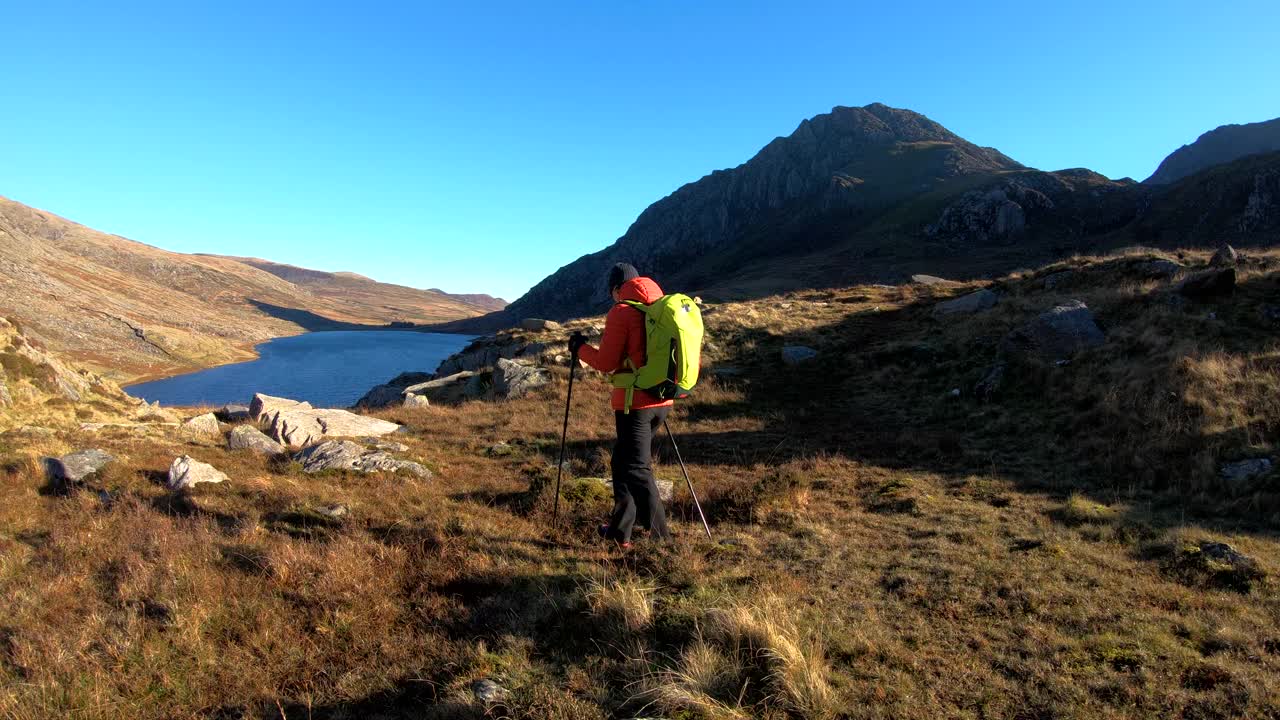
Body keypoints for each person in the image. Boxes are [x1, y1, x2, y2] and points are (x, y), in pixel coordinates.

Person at [570, 262, 672, 548]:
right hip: (662, 399)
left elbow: (606, 363)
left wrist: (579, 348)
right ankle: (619, 531)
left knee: (637, 468)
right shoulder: (660, 308)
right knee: (622, 461)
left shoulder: (623, 311)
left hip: (635, 404)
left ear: (616, 289)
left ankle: (662, 542)